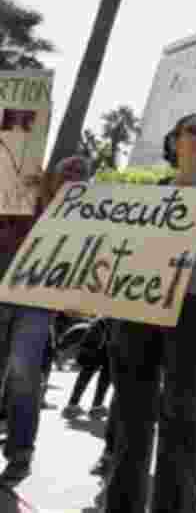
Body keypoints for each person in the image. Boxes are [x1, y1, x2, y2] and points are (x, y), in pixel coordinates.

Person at [104, 113, 196, 513]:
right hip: (143, 306)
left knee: (182, 413)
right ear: (174, 141)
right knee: (132, 411)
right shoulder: (155, 191)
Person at [0, 154, 91, 488]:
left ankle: (20, 453)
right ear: (52, 175)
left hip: (37, 305)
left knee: (24, 378)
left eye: (81, 174)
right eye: (68, 170)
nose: (73, 175)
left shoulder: (83, 219)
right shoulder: (21, 198)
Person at [61, 317, 112, 419]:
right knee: (104, 379)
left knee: (85, 376)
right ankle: (96, 407)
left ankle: (72, 405)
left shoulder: (101, 318)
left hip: (95, 343)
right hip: (108, 344)